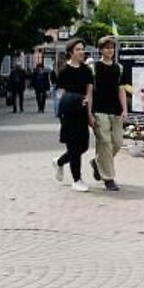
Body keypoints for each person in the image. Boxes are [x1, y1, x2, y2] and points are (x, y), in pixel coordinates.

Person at [53, 40, 93, 191]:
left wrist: (90, 113)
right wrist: (72, 101)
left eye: (82, 49)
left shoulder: (87, 71)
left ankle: (60, 161)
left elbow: (89, 93)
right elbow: (60, 93)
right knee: (74, 145)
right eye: (78, 49)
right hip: (69, 113)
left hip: (82, 112)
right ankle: (77, 179)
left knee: (83, 146)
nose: (81, 52)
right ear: (71, 52)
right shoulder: (64, 71)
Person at [89, 36, 127, 192]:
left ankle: (97, 163)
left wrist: (125, 109)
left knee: (117, 142)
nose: (110, 50)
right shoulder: (93, 68)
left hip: (115, 110)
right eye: (106, 47)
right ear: (100, 50)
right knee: (104, 142)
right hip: (99, 110)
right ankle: (109, 179)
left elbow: (121, 89)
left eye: (112, 47)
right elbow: (89, 91)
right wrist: (89, 113)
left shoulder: (119, 68)